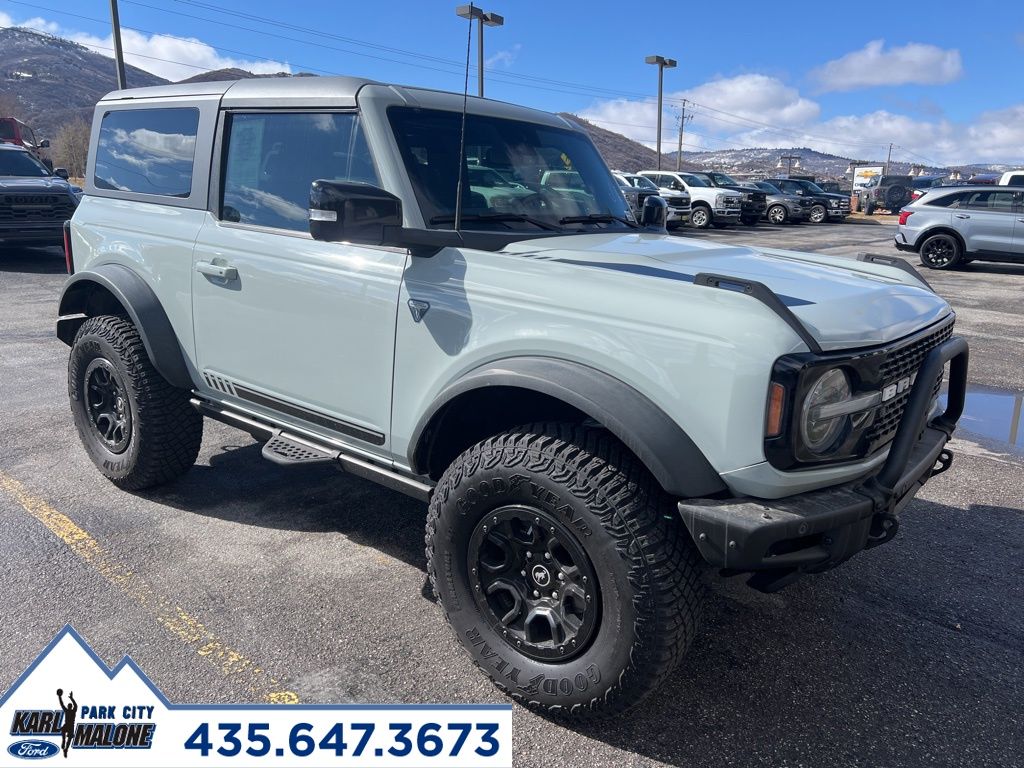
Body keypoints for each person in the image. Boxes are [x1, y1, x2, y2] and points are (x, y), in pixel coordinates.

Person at [56, 688, 77, 758]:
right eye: (69, 705)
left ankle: (66, 749)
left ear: (70, 707)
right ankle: (64, 741)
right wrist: (59, 697)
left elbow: (75, 705)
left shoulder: (72, 711)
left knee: (69, 737)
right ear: (69, 706)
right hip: (68, 725)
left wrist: (71, 698)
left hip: (70, 726)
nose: (69, 706)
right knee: (63, 731)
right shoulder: (68, 710)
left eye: (70, 705)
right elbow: (62, 704)